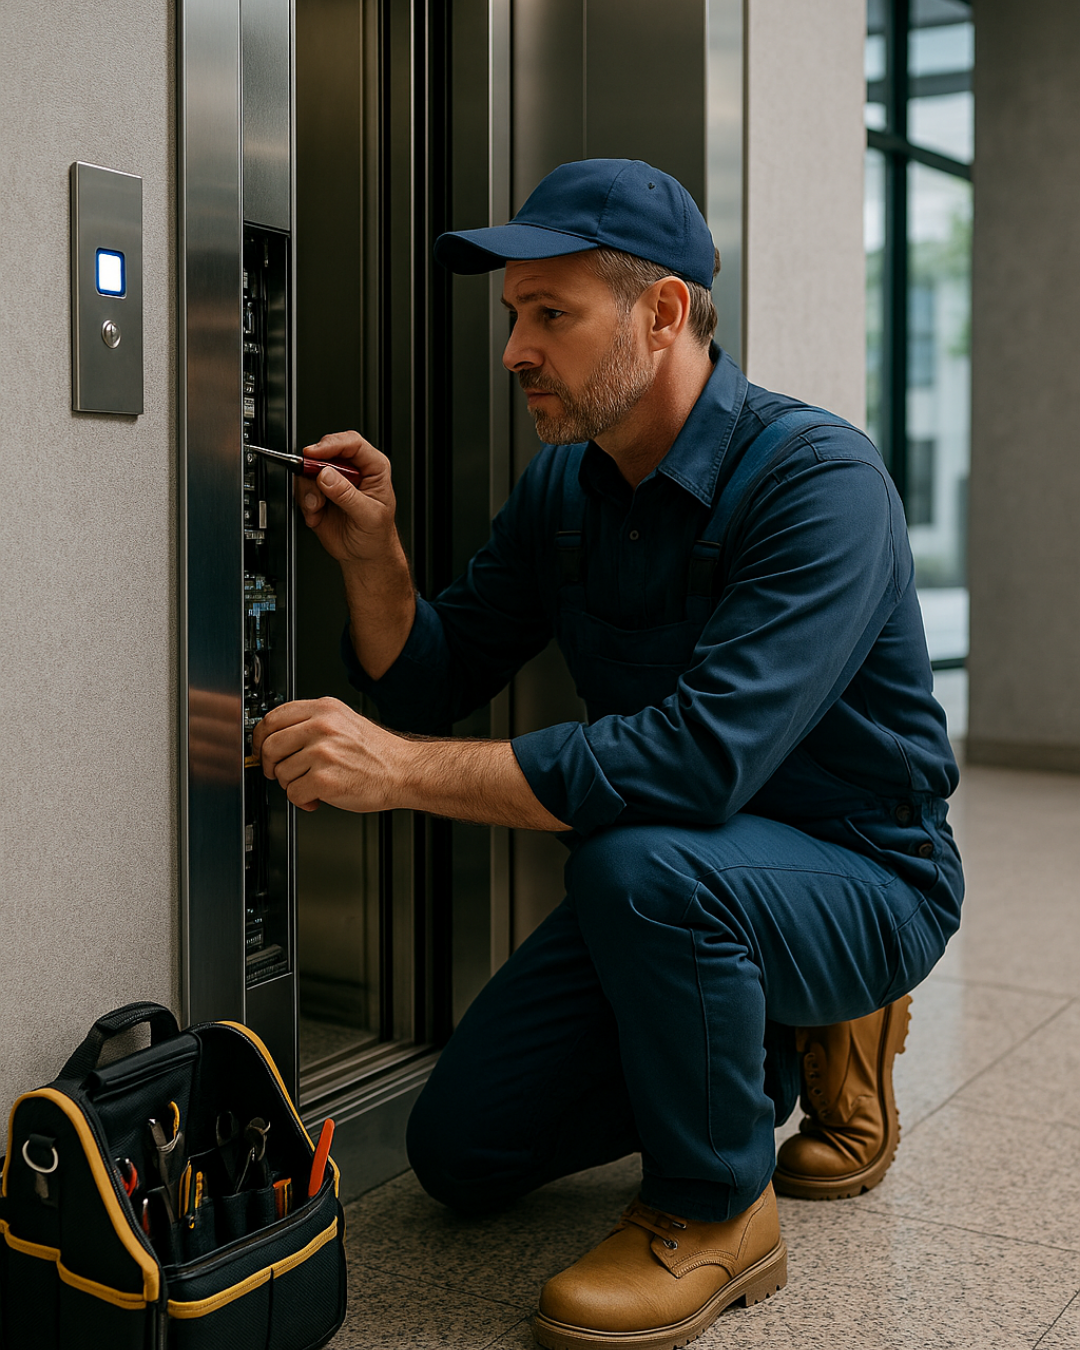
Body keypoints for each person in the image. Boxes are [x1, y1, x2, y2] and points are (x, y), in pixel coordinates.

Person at [253, 158, 963, 1350]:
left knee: (636, 859)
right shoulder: (566, 491)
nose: (516, 351)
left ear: (665, 312)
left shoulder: (818, 483)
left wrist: (404, 772)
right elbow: (433, 676)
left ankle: (716, 1209)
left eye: (551, 315)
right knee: (459, 1153)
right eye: (513, 317)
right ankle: (761, 1047)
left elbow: (692, 767)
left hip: (863, 874)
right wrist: (374, 556)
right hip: (686, 891)